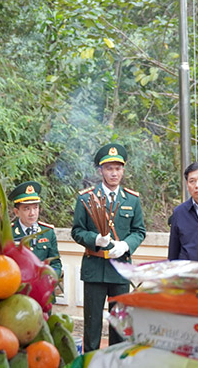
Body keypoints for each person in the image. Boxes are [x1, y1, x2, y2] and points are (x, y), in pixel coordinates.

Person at [71, 143, 146, 352]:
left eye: (118, 168)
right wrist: (95, 239)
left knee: (119, 327)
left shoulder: (132, 199)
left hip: (120, 270)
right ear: (100, 170)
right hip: (94, 269)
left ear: (123, 170)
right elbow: (77, 231)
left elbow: (139, 231)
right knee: (92, 327)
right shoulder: (86, 198)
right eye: (109, 168)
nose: (114, 173)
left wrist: (125, 245)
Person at [8, 181, 62, 278]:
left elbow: (56, 264)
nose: (32, 213)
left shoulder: (48, 232)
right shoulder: (8, 233)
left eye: (35, 208)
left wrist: (51, 274)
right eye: (26, 209)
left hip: (43, 286)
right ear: (16, 212)